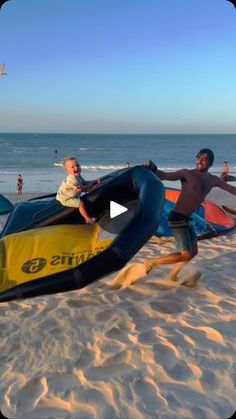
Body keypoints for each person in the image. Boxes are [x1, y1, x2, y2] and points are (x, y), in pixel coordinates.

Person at [144, 149, 236, 282]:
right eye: (198, 157)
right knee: (185, 254)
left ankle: (173, 276)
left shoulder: (213, 180)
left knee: (193, 252)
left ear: (210, 163)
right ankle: (151, 262)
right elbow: (164, 175)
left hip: (188, 218)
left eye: (204, 159)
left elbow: (232, 189)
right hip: (176, 218)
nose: (199, 160)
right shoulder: (186, 173)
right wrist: (152, 168)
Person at [56, 156, 97, 224]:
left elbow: (84, 182)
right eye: (72, 167)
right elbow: (79, 189)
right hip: (66, 198)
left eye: (77, 165)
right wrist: (88, 187)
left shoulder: (78, 176)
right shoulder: (72, 179)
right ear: (67, 171)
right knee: (81, 204)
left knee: (83, 195)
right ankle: (87, 219)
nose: (76, 168)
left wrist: (94, 181)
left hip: (69, 193)